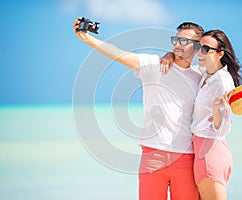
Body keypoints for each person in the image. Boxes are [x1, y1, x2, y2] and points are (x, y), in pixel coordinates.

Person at [73, 17, 204, 200]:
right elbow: (118, 54)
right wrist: (87, 38)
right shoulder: (154, 65)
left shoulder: (200, 76)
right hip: (153, 155)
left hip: (187, 157)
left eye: (184, 41)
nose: (177, 45)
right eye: (175, 40)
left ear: (197, 47)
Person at [160, 29, 242, 200]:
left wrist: (216, 109)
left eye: (206, 49)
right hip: (202, 150)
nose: (199, 52)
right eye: (199, 47)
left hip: (210, 151)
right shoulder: (205, 72)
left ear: (220, 54)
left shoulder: (222, 81)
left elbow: (223, 128)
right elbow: (183, 65)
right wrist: (169, 55)